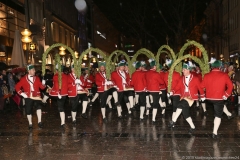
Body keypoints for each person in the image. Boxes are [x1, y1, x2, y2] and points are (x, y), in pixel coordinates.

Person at [168, 62, 205, 134]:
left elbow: (200, 88)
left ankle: (173, 121)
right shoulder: (181, 78)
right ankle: (193, 127)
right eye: (183, 70)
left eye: (184, 70)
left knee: (180, 104)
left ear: (188, 70)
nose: (182, 71)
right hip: (183, 96)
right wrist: (172, 92)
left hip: (191, 97)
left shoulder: (195, 78)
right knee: (185, 114)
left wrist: (202, 96)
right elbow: (177, 87)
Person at [201, 59, 233, 138]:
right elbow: (231, 86)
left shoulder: (206, 75)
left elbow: (201, 87)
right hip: (219, 98)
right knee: (218, 115)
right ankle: (214, 133)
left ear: (212, 67)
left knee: (221, 105)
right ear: (219, 67)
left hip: (209, 98)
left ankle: (229, 114)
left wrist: (202, 96)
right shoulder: (224, 75)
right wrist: (226, 94)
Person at [15, 64, 46, 130]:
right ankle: (30, 123)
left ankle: (39, 122)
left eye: (34, 70)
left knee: (39, 107)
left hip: (37, 96)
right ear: (29, 71)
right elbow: (17, 87)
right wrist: (22, 93)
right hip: (28, 96)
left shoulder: (37, 78)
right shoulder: (23, 79)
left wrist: (43, 84)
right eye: (33, 70)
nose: (34, 71)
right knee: (28, 110)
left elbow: (42, 87)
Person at [49, 64, 68, 129]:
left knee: (60, 108)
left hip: (59, 94)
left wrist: (57, 92)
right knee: (61, 107)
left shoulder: (55, 76)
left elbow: (56, 85)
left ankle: (63, 123)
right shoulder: (66, 76)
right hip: (65, 94)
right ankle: (62, 122)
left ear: (57, 70)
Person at [145, 58, 164, 123]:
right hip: (155, 90)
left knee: (149, 102)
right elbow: (161, 82)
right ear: (154, 66)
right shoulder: (156, 74)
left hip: (149, 90)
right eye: (156, 66)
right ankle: (153, 119)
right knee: (155, 105)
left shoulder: (147, 73)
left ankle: (147, 112)